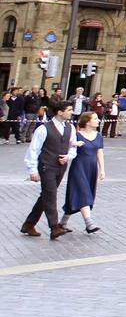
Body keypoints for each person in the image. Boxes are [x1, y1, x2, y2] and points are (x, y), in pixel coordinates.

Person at [21, 99, 76, 239]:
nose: (71, 112)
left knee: (46, 195)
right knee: (51, 194)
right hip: (46, 166)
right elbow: (33, 150)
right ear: (60, 112)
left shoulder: (70, 128)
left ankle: (29, 224)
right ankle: (54, 227)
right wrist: (33, 170)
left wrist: (68, 156)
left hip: (61, 167)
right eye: (69, 110)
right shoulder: (43, 128)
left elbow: (72, 146)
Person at [62, 111, 106, 233]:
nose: (98, 120)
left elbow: (99, 152)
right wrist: (74, 144)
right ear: (87, 121)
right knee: (84, 193)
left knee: (79, 195)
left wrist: (102, 169)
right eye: (95, 118)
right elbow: (66, 145)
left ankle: (63, 222)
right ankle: (89, 223)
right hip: (78, 168)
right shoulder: (77, 135)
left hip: (91, 169)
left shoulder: (98, 136)